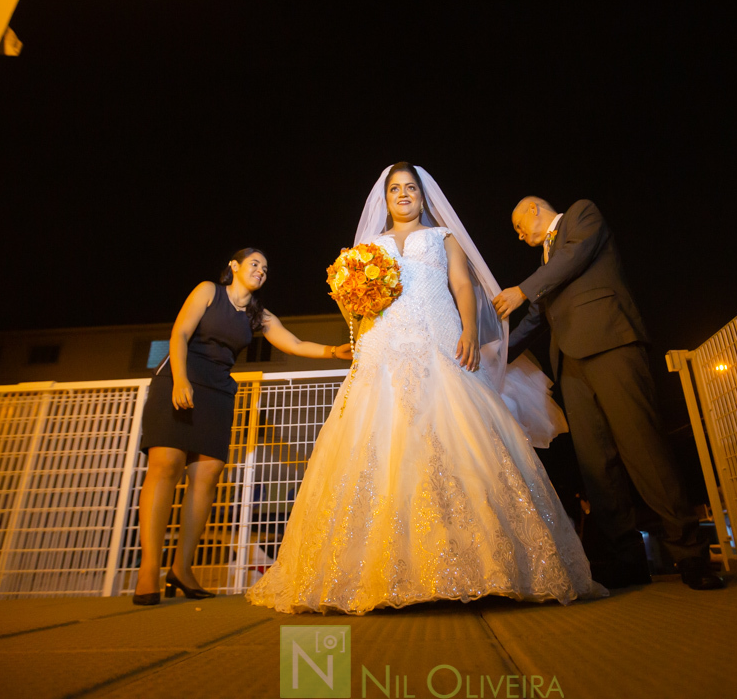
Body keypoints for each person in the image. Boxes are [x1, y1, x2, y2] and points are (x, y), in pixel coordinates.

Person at [245, 164, 604, 614]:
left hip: (439, 341)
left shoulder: (442, 238)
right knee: (382, 447)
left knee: (461, 442)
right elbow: (352, 302)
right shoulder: (366, 248)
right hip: (385, 350)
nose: (403, 195)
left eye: (410, 188)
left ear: (422, 196)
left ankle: (481, 567)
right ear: (385, 197)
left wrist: (470, 330)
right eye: (395, 189)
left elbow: (461, 285)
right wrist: (357, 317)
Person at [492, 197, 724, 590]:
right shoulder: (547, 264)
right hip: (571, 365)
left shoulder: (582, 215)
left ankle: (690, 555)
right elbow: (535, 319)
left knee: (644, 449)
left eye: (518, 225)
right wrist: (492, 356)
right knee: (596, 466)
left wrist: (522, 289)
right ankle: (627, 560)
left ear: (535, 209)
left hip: (611, 346)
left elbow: (574, 257)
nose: (519, 235)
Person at [132, 248, 352, 605]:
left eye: (266, 268)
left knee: (207, 475)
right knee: (166, 466)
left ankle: (182, 568)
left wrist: (332, 351)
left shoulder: (258, 315)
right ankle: (148, 570)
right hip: (179, 379)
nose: (261, 270)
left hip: (218, 391)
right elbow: (179, 334)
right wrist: (179, 380)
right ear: (233, 266)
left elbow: (293, 343)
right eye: (254, 263)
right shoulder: (208, 292)